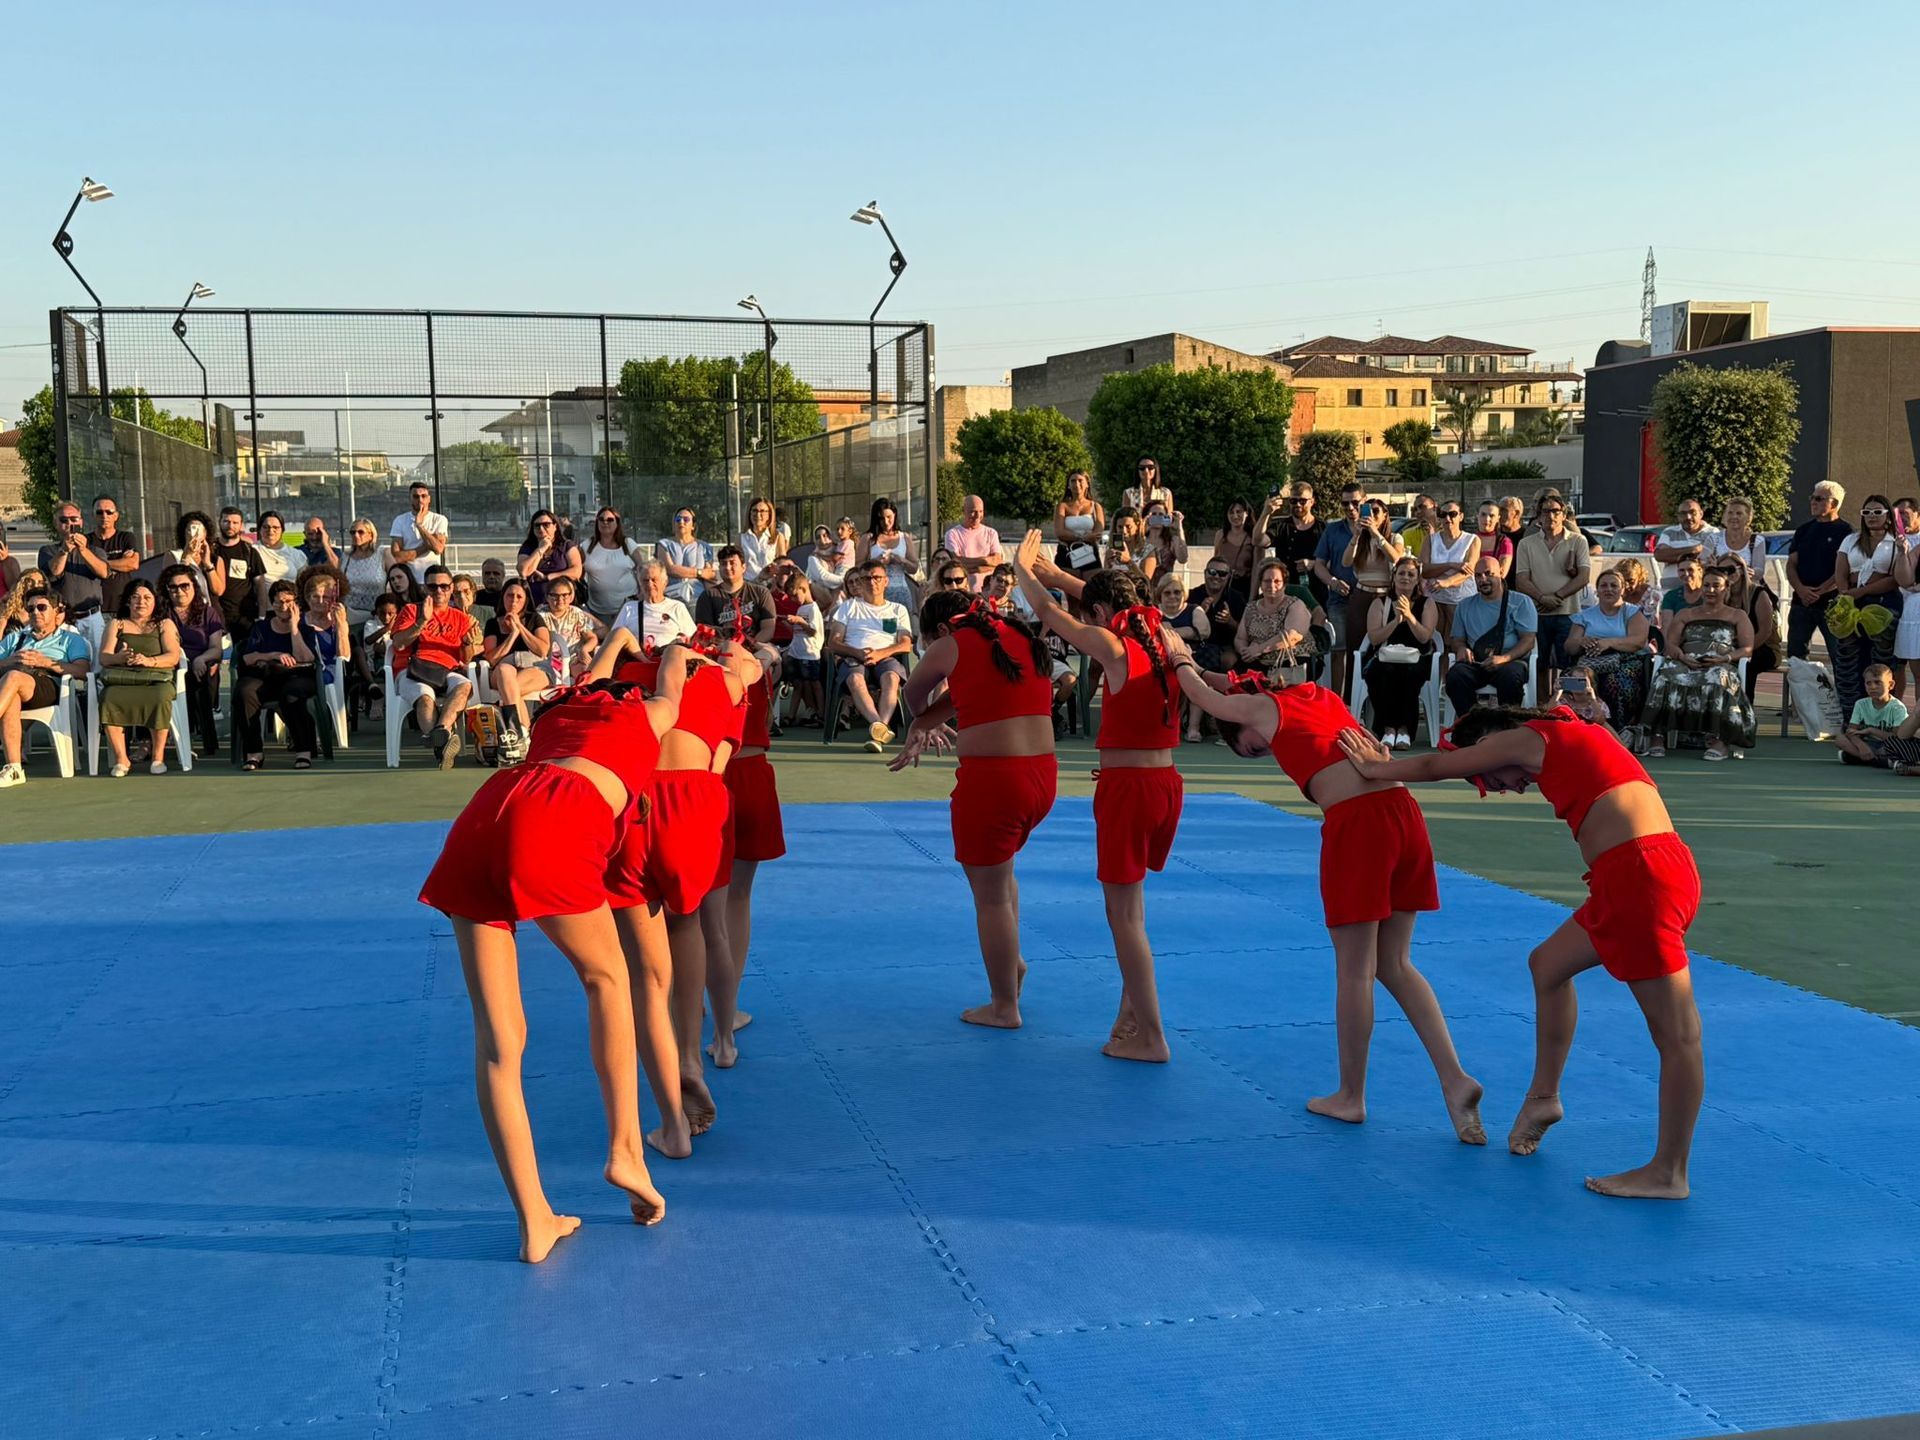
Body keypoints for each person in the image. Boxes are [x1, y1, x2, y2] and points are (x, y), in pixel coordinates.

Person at [1337, 709, 1704, 1199]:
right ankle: (1543, 1097)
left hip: (1641, 878)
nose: (1504, 788)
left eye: (1485, 777)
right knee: (1548, 966)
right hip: (1640, 873)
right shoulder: (1574, 733)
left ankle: (1669, 1171)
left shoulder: (1527, 739)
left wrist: (1374, 767)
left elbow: (1430, 769)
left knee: (1677, 1037)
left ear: (1490, 741)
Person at [1161, 649, 1484, 1141]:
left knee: (1355, 968)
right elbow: (1226, 683)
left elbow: (1204, 694)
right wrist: (1206, 671)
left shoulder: (1261, 708)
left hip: (1358, 825)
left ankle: (1351, 1096)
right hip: (1403, 813)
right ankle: (1455, 1077)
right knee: (1395, 963)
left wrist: (1178, 657)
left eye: (1249, 748)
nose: (1260, 751)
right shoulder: (1322, 696)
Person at [419, 673, 679, 1260]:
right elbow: (673, 680)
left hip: (484, 813)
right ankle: (626, 1152)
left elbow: (597, 664)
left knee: (498, 1043)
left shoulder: (555, 719)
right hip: (554, 814)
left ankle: (535, 1219)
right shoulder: (646, 714)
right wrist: (674, 651)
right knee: (608, 979)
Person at [1009, 537, 1182, 1061]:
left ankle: (1152, 1034)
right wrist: (1061, 576)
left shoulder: (1112, 647)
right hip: (1165, 785)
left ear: (1106, 614)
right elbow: (1103, 597)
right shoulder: (1162, 633)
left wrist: (1024, 571)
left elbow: (1046, 614)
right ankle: (1132, 1018)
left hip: (1130, 791)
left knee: (1123, 918)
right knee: (1135, 913)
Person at [604, 639, 760, 1150]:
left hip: (637, 799)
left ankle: (670, 1122)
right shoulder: (726, 681)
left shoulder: (629, 671)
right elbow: (751, 670)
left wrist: (613, 645)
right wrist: (727, 660)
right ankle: (697, 1052)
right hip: (698, 799)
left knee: (645, 975)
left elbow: (588, 683)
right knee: (691, 923)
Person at [893, 588, 1058, 1030]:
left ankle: (1005, 1004)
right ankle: (1012, 962)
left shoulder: (952, 644)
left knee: (990, 898)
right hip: (1043, 779)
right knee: (1001, 878)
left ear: (942, 629)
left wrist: (923, 720)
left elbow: (913, 691)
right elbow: (983, 688)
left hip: (994, 781)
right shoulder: (1016, 634)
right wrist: (932, 719)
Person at [717, 656, 787, 1068]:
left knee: (695, 904)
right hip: (752, 776)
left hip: (710, 781)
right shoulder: (759, 669)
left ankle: (699, 1001)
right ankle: (728, 1014)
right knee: (738, 898)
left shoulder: (697, 675)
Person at [1642, 563, 1756, 761]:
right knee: (1665, 675)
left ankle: (1721, 740)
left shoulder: (1737, 615)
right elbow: (1670, 644)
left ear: (1726, 588)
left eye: (1716, 586)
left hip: (1720, 662)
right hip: (1686, 660)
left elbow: (1747, 648)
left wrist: (1725, 658)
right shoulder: (1686, 614)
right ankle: (1657, 736)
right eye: (1707, 585)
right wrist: (1682, 656)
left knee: (1718, 677)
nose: (1710, 590)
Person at [391, 564, 480, 768]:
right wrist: (421, 622)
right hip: (413, 669)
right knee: (425, 696)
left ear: (451, 588)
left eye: (444, 586)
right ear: (425, 589)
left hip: (446, 670)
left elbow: (465, 659)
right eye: (433, 587)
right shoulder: (411, 610)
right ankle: (443, 745)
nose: (439, 591)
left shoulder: (460, 617)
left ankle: (439, 733)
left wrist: (468, 644)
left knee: (465, 685)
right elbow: (399, 643)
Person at [0, 592, 93, 787]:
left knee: (13, 678)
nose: (35, 612)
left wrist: (46, 662)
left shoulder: (70, 639)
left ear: (55, 611)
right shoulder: (15, 638)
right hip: (14, 685)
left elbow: (82, 671)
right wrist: (11, 660)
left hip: (49, 685)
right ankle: (14, 768)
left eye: (41, 607)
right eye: (31, 609)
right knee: (12, 693)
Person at [96, 578, 182, 777]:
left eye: (146, 597)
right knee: (109, 698)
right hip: (123, 679)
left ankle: (158, 757)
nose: (141, 602)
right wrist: (119, 657)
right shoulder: (116, 625)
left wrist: (148, 661)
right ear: (127, 601)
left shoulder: (164, 624)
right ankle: (121, 759)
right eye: (135, 597)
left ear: (155, 601)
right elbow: (104, 657)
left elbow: (173, 656)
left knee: (160, 697)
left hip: (156, 680)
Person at [829, 561, 915, 752]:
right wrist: (857, 652)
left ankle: (878, 731)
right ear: (860, 582)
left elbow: (905, 644)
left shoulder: (897, 610)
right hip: (854, 656)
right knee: (855, 679)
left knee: (891, 678)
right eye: (866, 578)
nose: (872, 582)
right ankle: (880, 727)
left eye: (876, 577)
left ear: (886, 581)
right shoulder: (848, 607)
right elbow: (833, 642)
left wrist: (880, 654)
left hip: (885, 657)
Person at [237, 580, 321, 772]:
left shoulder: (305, 629)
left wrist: (294, 628)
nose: (283, 607)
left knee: (292, 694)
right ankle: (254, 752)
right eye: (278, 602)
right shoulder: (261, 628)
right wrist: (274, 655)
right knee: (245, 693)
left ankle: (304, 750)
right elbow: (248, 657)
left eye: (288, 602)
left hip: (297, 677)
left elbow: (305, 658)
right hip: (265, 676)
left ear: (296, 603)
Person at [1831, 493, 1901, 718]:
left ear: (1888, 515)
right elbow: (1840, 571)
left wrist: (1862, 591)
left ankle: (1879, 716)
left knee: (1879, 662)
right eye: (1867, 512)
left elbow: (1894, 577)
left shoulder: (1895, 542)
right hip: (1850, 603)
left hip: (1883, 605)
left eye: (1877, 512)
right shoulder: (1851, 540)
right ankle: (1851, 715)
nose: (1872, 516)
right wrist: (1846, 594)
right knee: (1848, 661)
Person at [1446, 556, 1539, 716]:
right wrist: (1461, 649)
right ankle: (1472, 725)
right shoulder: (1465, 605)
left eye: (1489, 574)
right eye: (1478, 575)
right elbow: (1457, 640)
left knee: (1510, 677)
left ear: (1501, 573)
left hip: (1511, 661)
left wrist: (1503, 659)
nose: (1483, 579)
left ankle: (1507, 727)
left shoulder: (1521, 602)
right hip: (1477, 663)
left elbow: (1528, 641)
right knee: (1455, 676)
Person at [1513, 493, 1585, 698]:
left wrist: (1556, 597)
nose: (1551, 515)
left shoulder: (1578, 541)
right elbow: (1521, 580)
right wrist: (1543, 598)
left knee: (1570, 664)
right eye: (1546, 511)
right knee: (1538, 663)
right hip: (1536, 614)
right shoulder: (1526, 544)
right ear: (1538, 516)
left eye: (1556, 511)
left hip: (1569, 614)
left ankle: (1570, 706)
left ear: (1563, 515)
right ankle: (1542, 707)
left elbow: (1584, 577)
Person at [1362, 556, 1438, 749]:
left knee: (1408, 674)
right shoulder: (1380, 603)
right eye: (1401, 573)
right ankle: (1387, 729)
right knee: (1381, 672)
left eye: (1411, 574)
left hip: (1416, 658)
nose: (1405, 578)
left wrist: (1410, 616)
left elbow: (1425, 637)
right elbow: (1374, 639)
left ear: (1417, 579)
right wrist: (1396, 621)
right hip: (1384, 657)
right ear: (1394, 576)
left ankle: (1404, 730)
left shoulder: (1427, 604)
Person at [1565, 566, 1653, 730]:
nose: (1608, 589)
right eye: (1603, 585)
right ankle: (1577, 728)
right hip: (1591, 661)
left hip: (1625, 660)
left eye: (1614, 585)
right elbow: (1570, 646)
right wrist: (1581, 641)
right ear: (1597, 590)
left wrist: (1609, 642)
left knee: (1615, 683)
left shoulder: (1632, 612)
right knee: (1573, 682)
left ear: (1622, 589)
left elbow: (1639, 642)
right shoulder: (1585, 615)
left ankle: (1619, 729)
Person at [160, 563, 225, 757]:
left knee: (200, 678)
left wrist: (201, 659)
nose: (179, 591)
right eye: (173, 587)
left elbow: (216, 648)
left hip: (201, 665)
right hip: (170, 665)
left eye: (184, 586)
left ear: (193, 587)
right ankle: (183, 739)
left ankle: (205, 741)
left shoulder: (208, 612)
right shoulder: (161, 613)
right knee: (185, 678)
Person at [1311, 483, 1369, 699]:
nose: (1351, 507)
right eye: (1345, 503)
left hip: (1370, 599)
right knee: (1339, 652)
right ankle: (1338, 703)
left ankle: (1363, 703)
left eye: (1356, 502)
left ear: (1364, 501)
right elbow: (1318, 565)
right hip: (1339, 599)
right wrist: (1333, 582)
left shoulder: (1375, 527)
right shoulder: (1332, 529)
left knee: (1367, 653)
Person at [1786, 479, 1852, 663]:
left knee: (1840, 656)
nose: (1813, 502)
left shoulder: (1846, 532)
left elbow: (1845, 568)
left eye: (1819, 498)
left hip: (1832, 605)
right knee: (1795, 658)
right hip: (1801, 603)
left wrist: (1821, 590)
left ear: (1834, 504)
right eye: (1812, 497)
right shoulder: (1803, 530)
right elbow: (1791, 563)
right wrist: (1801, 589)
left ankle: (1842, 692)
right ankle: (1797, 693)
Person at [482, 576, 552, 747]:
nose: (513, 600)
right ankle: (521, 734)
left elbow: (542, 650)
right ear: (503, 597)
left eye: (519, 596)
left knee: (512, 690)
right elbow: (491, 659)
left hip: (533, 670)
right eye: (509, 595)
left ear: (526, 599)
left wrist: (519, 627)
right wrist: (512, 636)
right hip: (501, 673)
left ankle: (519, 732)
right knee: (505, 670)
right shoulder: (492, 623)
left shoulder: (535, 619)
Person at [39, 499, 132, 621]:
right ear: (56, 524)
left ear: (81, 522)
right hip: (62, 617)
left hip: (92, 616)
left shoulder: (95, 550)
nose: (69, 523)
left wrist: (83, 550)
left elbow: (104, 572)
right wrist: (64, 551)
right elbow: (53, 573)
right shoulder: (48, 551)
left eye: (74, 519)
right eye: (63, 520)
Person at [1236, 560, 1314, 687]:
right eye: (1267, 581)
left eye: (1277, 581)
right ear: (1260, 584)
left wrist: (1258, 650)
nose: (1271, 585)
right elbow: (1240, 638)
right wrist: (1245, 651)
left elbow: (1292, 636)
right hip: (1256, 661)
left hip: (1289, 663)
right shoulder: (1250, 608)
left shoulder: (1295, 604)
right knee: (1234, 684)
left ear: (1284, 584)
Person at [694, 545, 777, 649]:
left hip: (755, 647)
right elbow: (705, 631)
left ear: (743, 567)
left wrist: (749, 646)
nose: (728, 567)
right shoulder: (707, 596)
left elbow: (768, 629)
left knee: (772, 656)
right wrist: (730, 647)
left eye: (732, 563)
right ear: (719, 568)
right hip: (721, 650)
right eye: (724, 564)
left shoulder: (761, 592)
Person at [611, 559, 698, 656]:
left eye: (654, 580)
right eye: (645, 580)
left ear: (665, 582)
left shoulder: (677, 607)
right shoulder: (629, 608)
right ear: (639, 583)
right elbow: (613, 639)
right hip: (637, 660)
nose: (649, 584)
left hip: (668, 660)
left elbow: (693, 640)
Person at [1419, 501, 1478, 640]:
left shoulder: (1472, 540)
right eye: (1443, 514)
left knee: (1458, 641)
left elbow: (1468, 571)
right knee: (1436, 641)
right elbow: (1424, 570)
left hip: (1461, 599)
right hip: (1435, 598)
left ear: (1461, 516)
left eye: (1452, 514)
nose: (1447, 518)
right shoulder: (1430, 539)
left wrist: (1446, 582)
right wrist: (1450, 565)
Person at [209, 507, 267, 644]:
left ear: (241, 525)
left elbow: (260, 585)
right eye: (226, 521)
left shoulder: (249, 552)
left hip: (245, 618)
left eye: (235, 523)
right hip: (216, 617)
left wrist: (261, 616)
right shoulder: (210, 551)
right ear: (219, 522)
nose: (230, 526)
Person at [1834, 662, 1909, 766]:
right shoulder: (1861, 704)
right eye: (1868, 683)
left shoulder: (1898, 708)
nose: (1872, 687)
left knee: (1900, 747)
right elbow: (1851, 731)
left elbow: (1897, 738)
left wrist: (1871, 730)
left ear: (1890, 685)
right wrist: (1861, 745)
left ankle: (1857, 758)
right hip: (1868, 744)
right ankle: (1877, 760)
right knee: (1840, 739)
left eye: (1878, 682)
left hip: (1887, 745)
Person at [582, 507, 643, 624]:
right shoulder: (586, 545)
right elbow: (576, 569)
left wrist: (642, 593)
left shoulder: (628, 544)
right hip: (596, 611)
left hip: (627, 609)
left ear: (617, 523)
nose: (605, 522)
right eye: (601, 519)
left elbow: (642, 568)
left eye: (610, 520)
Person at [1186, 559, 1246, 673]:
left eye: (1222, 574)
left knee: (1229, 660)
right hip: (1197, 645)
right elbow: (1183, 625)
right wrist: (1199, 613)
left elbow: (1245, 632)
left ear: (1228, 576)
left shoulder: (1236, 598)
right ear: (1205, 573)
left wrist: (1230, 621)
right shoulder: (1192, 596)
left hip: (1225, 647)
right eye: (1212, 572)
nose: (1216, 576)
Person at [862, 497, 922, 611]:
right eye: (881, 519)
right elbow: (858, 567)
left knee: (902, 626)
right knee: (882, 627)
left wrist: (901, 560)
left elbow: (914, 568)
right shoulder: (868, 539)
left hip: (901, 591)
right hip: (876, 593)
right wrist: (876, 563)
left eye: (889, 517)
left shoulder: (904, 538)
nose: (886, 522)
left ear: (895, 515)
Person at [540, 575, 602, 683]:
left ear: (570, 597)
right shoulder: (540, 615)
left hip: (574, 657)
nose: (560, 600)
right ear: (547, 597)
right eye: (554, 595)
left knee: (586, 675)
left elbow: (592, 637)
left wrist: (584, 649)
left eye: (564, 595)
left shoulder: (576, 613)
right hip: (549, 660)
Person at [783, 571, 825, 724]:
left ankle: (821, 713)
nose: (793, 599)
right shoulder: (801, 609)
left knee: (814, 684)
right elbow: (798, 633)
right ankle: (791, 715)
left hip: (810, 654)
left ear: (803, 588)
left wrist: (799, 621)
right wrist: (789, 624)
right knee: (798, 684)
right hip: (797, 652)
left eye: (795, 595)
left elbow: (813, 630)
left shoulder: (813, 609)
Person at [515, 509, 582, 606]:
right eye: (537, 526)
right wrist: (541, 549)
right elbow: (524, 571)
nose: (541, 529)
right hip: (535, 603)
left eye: (546, 525)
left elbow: (576, 572)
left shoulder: (566, 546)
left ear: (555, 526)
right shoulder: (528, 548)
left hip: (563, 604)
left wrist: (549, 577)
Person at [1053, 470, 1106, 589]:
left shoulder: (1095, 507)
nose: (1077, 484)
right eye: (1073, 481)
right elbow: (1059, 532)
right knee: (1071, 593)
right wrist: (1082, 537)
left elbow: (1098, 532)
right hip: (1067, 552)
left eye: (1080, 480)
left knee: (1092, 590)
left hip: (1089, 552)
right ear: (1068, 485)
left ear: (1087, 483)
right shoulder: (1062, 506)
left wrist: (1088, 538)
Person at [389, 481, 448, 583]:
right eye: (416, 496)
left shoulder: (439, 519)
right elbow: (398, 557)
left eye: (423, 496)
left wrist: (419, 526)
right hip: (409, 581)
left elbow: (438, 549)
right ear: (410, 499)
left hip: (432, 581)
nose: (420, 500)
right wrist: (428, 544)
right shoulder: (400, 520)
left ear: (429, 499)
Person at [943, 494, 1004, 592]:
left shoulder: (991, 533)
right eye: (973, 512)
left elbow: (997, 561)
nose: (977, 516)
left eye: (981, 511)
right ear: (963, 511)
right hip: (963, 592)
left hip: (989, 593)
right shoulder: (952, 534)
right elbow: (956, 563)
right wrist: (985, 561)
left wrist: (970, 568)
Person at [658, 506, 716, 605]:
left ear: (693, 525)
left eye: (686, 519)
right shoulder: (663, 544)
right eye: (678, 519)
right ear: (673, 524)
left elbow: (709, 575)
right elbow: (669, 569)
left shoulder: (705, 547)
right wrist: (699, 572)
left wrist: (713, 602)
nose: (681, 522)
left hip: (698, 599)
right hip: (671, 599)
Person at [1653, 497, 1720, 581]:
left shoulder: (1712, 533)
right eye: (1683, 514)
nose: (1688, 517)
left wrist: (1673, 554)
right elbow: (1659, 555)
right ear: (1678, 516)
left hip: (1699, 590)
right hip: (1669, 590)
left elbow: (1710, 558)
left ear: (1701, 514)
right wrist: (1693, 550)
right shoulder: (1669, 532)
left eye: (1692, 512)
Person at [1703, 495, 1768, 580]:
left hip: (1746, 588)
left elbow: (1759, 571)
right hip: (1719, 587)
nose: (1734, 516)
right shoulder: (1713, 539)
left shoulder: (1757, 541)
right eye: (1730, 513)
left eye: (1739, 513)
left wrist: (1745, 572)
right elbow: (1702, 563)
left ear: (1748, 517)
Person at [339, 519, 389, 626]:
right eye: (352, 532)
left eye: (361, 532)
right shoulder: (345, 557)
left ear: (371, 535)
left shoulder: (382, 555)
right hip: (350, 615)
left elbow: (396, 576)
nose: (356, 535)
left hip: (377, 615)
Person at [1139, 499, 1189, 585]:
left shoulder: (1172, 540)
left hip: (1164, 590)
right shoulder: (1140, 540)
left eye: (1161, 514)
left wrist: (1179, 528)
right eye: (1154, 514)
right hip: (1142, 587)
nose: (1158, 517)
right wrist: (1143, 528)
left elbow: (1183, 559)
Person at [254, 513, 310, 585]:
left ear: (282, 530)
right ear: (259, 529)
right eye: (266, 527)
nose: (271, 530)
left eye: (275, 527)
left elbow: (304, 582)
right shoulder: (252, 550)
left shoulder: (296, 554)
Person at [738, 496, 786, 581]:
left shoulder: (778, 537)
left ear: (769, 515)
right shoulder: (741, 538)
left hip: (770, 585)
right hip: (748, 584)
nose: (758, 514)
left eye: (762, 511)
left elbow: (782, 564)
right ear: (749, 513)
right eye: (754, 510)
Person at [1472, 501, 1514, 581]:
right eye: (1483, 514)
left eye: (1491, 515)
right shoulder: (1467, 539)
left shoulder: (1504, 542)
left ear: (1498, 518)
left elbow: (1502, 574)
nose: (1487, 519)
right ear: (1477, 516)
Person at [1106, 507, 1146, 571]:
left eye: (1128, 527)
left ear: (1137, 527)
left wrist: (1128, 562)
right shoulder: (1111, 550)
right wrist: (1108, 566)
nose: (1124, 531)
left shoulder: (1147, 550)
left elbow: (1146, 580)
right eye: (1120, 527)